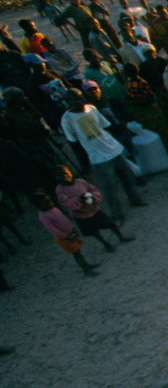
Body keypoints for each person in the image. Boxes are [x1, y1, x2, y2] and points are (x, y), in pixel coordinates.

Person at [60, 88, 146, 222]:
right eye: (76, 99)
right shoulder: (67, 119)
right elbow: (73, 141)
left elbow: (104, 126)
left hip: (113, 149)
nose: (81, 101)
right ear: (68, 102)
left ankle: (135, 200)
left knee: (128, 178)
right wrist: (85, 162)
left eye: (81, 97)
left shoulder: (91, 108)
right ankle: (116, 213)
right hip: (98, 158)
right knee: (109, 188)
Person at [55, 164, 134, 252]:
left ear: (70, 172)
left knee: (110, 223)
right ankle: (106, 244)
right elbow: (65, 202)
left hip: (94, 210)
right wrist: (79, 200)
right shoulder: (60, 190)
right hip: (81, 215)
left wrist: (92, 197)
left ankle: (121, 236)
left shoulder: (80, 182)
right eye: (60, 176)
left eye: (65, 173)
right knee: (94, 232)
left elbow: (93, 190)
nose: (64, 177)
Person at [34, 191, 100, 276]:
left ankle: (86, 265)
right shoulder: (44, 216)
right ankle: (86, 270)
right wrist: (66, 236)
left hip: (70, 233)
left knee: (78, 251)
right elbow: (53, 229)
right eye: (46, 202)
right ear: (39, 206)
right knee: (76, 253)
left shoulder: (53, 209)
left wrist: (72, 229)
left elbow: (64, 219)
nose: (50, 203)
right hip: (64, 237)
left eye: (50, 200)